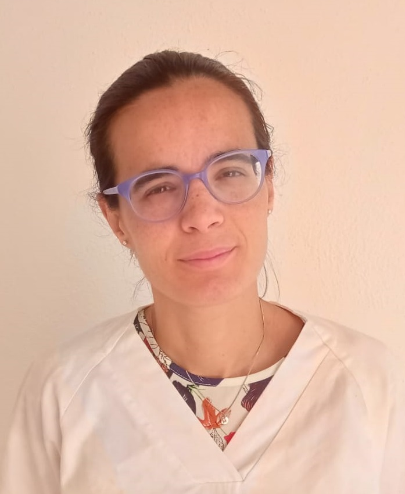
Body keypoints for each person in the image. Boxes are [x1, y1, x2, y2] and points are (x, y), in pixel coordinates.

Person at [1, 51, 404, 494]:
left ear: (268, 184)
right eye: (159, 186)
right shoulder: (62, 393)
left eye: (229, 171)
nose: (201, 215)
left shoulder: (369, 382)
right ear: (116, 219)